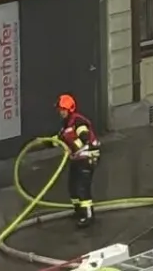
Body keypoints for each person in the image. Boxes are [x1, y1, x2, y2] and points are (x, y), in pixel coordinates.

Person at [57, 92, 100, 227]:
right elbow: (59, 139)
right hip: (77, 158)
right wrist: (46, 142)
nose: (60, 112)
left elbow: (84, 137)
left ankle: (89, 216)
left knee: (83, 187)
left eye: (62, 109)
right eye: (59, 109)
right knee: (72, 186)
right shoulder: (66, 124)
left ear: (69, 109)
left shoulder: (78, 121)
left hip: (87, 157)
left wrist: (71, 142)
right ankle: (79, 210)